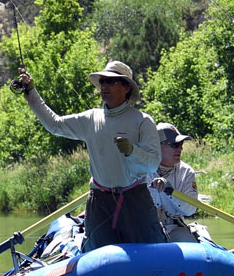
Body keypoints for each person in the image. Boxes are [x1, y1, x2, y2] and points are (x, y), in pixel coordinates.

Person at [10, 59, 163, 250]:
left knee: (153, 255)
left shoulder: (143, 121)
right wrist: (30, 91)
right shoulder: (91, 118)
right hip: (99, 201)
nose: (104, 86)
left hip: (135, 199)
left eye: (111, 81)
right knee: (96, 257)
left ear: (126, 88)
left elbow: (152, 164)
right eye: (102, 82)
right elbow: (55, 125)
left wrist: (132, 151)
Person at [148, 123, 206, 243]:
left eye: (181, 144)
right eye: (175, 145)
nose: (180, 149)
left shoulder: (187, 172)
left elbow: (190, 210)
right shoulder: (140, 170)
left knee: (190, 249)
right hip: (145, 228)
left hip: (175, 228)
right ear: (157, 146)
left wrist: (169, 190)